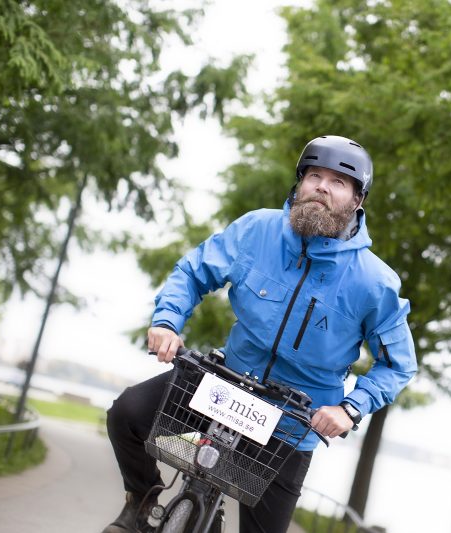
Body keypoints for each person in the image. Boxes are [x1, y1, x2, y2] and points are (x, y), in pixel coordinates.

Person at [102, 135, 418, 533]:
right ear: (299, 184)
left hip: (293, 420)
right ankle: (143, 500)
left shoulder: (374, 282)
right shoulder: (256, 229)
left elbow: (398, 364)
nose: (322, 186)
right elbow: (193, 272)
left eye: (339, 182)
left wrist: (350, 408)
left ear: (357, 201)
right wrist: (167, 321)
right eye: (314, 175)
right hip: (224, 385)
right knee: (126, 415)